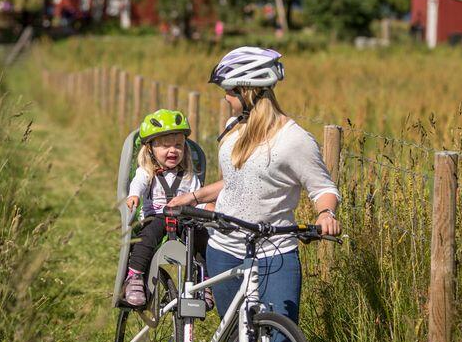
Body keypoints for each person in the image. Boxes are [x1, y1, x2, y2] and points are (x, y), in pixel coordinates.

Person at [168, 46, 341, 324]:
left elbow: (323, 189)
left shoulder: (294, 140)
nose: (225, 98)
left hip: (275, 253)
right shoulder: (233, 128)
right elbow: (237, 182)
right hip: (224, 248)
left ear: (246, 91)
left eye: (228, 91)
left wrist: (325, 214)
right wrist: (195, 196)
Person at [124, 109, 213, 309]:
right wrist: (134, 195)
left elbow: (197, 198)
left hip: (183, 218)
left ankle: (203, 279)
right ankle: (135, 276)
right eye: (165, 146)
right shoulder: (147, 171)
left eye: (178, 145)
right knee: (148, 237)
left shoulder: (190, 176)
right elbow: (138, 183)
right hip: (155, 216)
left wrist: (208, 207)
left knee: (199, 236)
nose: (173, 150)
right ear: (150, 150)